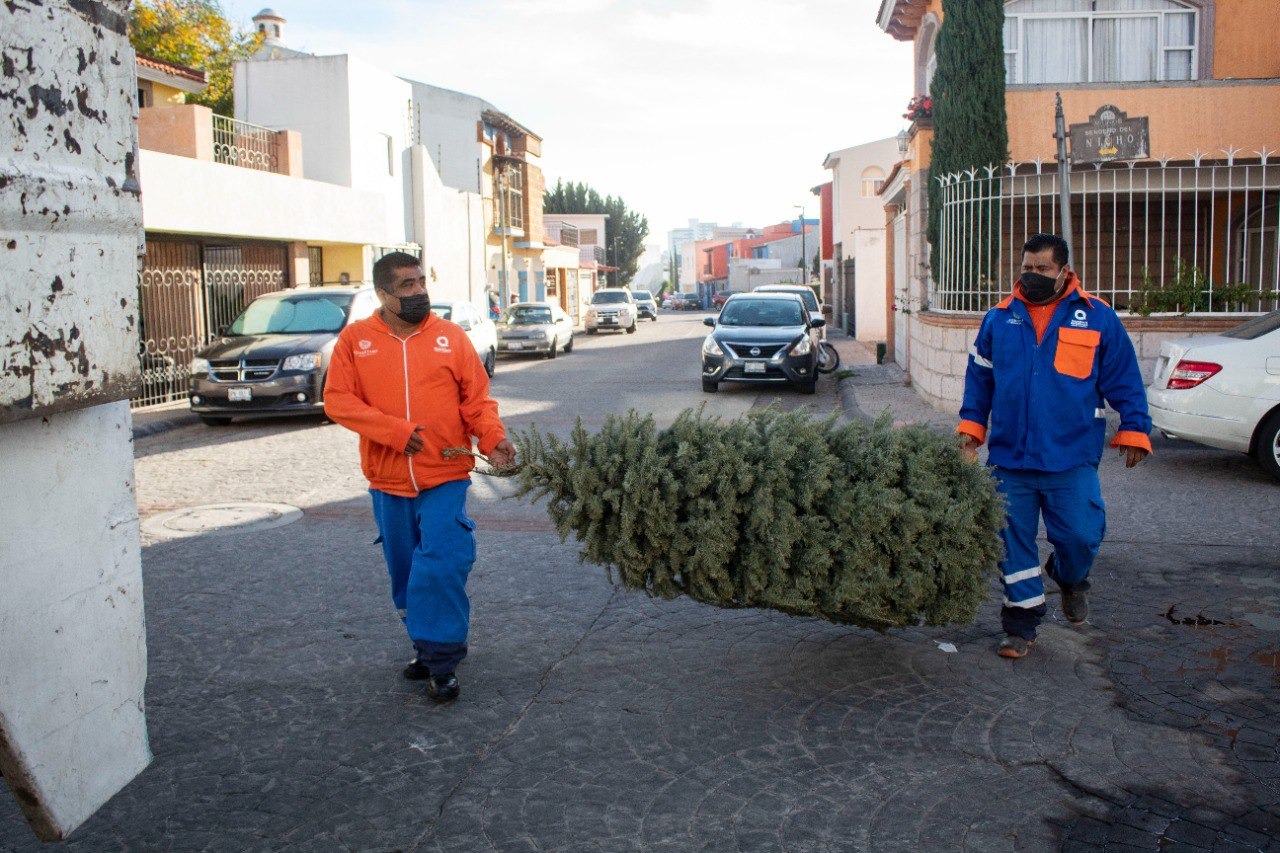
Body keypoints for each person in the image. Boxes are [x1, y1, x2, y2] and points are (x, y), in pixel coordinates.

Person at [324, 251, 515, 701]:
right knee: (406, 571)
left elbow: (477, 401)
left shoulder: (451, 337)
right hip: (387, 480)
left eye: (421, 282)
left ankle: (443, 660)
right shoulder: (356, 340)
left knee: (443, 561)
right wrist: (394, 432)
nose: (419, 292)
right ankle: (425, 645)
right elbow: (337, 400)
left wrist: (492, 439)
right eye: (407, 285)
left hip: (445, 473)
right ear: (383, 294)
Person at [957, 233, 1151, 660]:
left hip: (1071, 457)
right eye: (1027, 267)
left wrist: (1135, 428)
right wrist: (971, 432)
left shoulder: (1097, 317)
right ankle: (1020, 626)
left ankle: (1069, 577)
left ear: (1064, 271)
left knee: (1081, 536)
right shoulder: (999, 318)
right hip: (1010, 459)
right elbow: (979, 381)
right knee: (1012, 544)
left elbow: (1124, 379)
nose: (1032, 276)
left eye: (1042, 269)